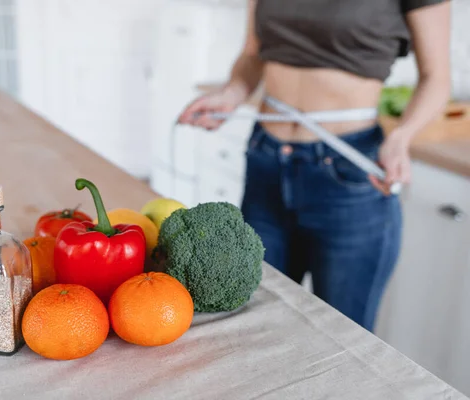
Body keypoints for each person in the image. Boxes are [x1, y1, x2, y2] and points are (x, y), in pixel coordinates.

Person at [178, 0, 451, 331]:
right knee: (253, 327)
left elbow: (437, 77)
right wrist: (231, 94)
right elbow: (253, 54)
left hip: (349, 172)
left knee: (345, 337)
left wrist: (401, 137)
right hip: (266, 159)